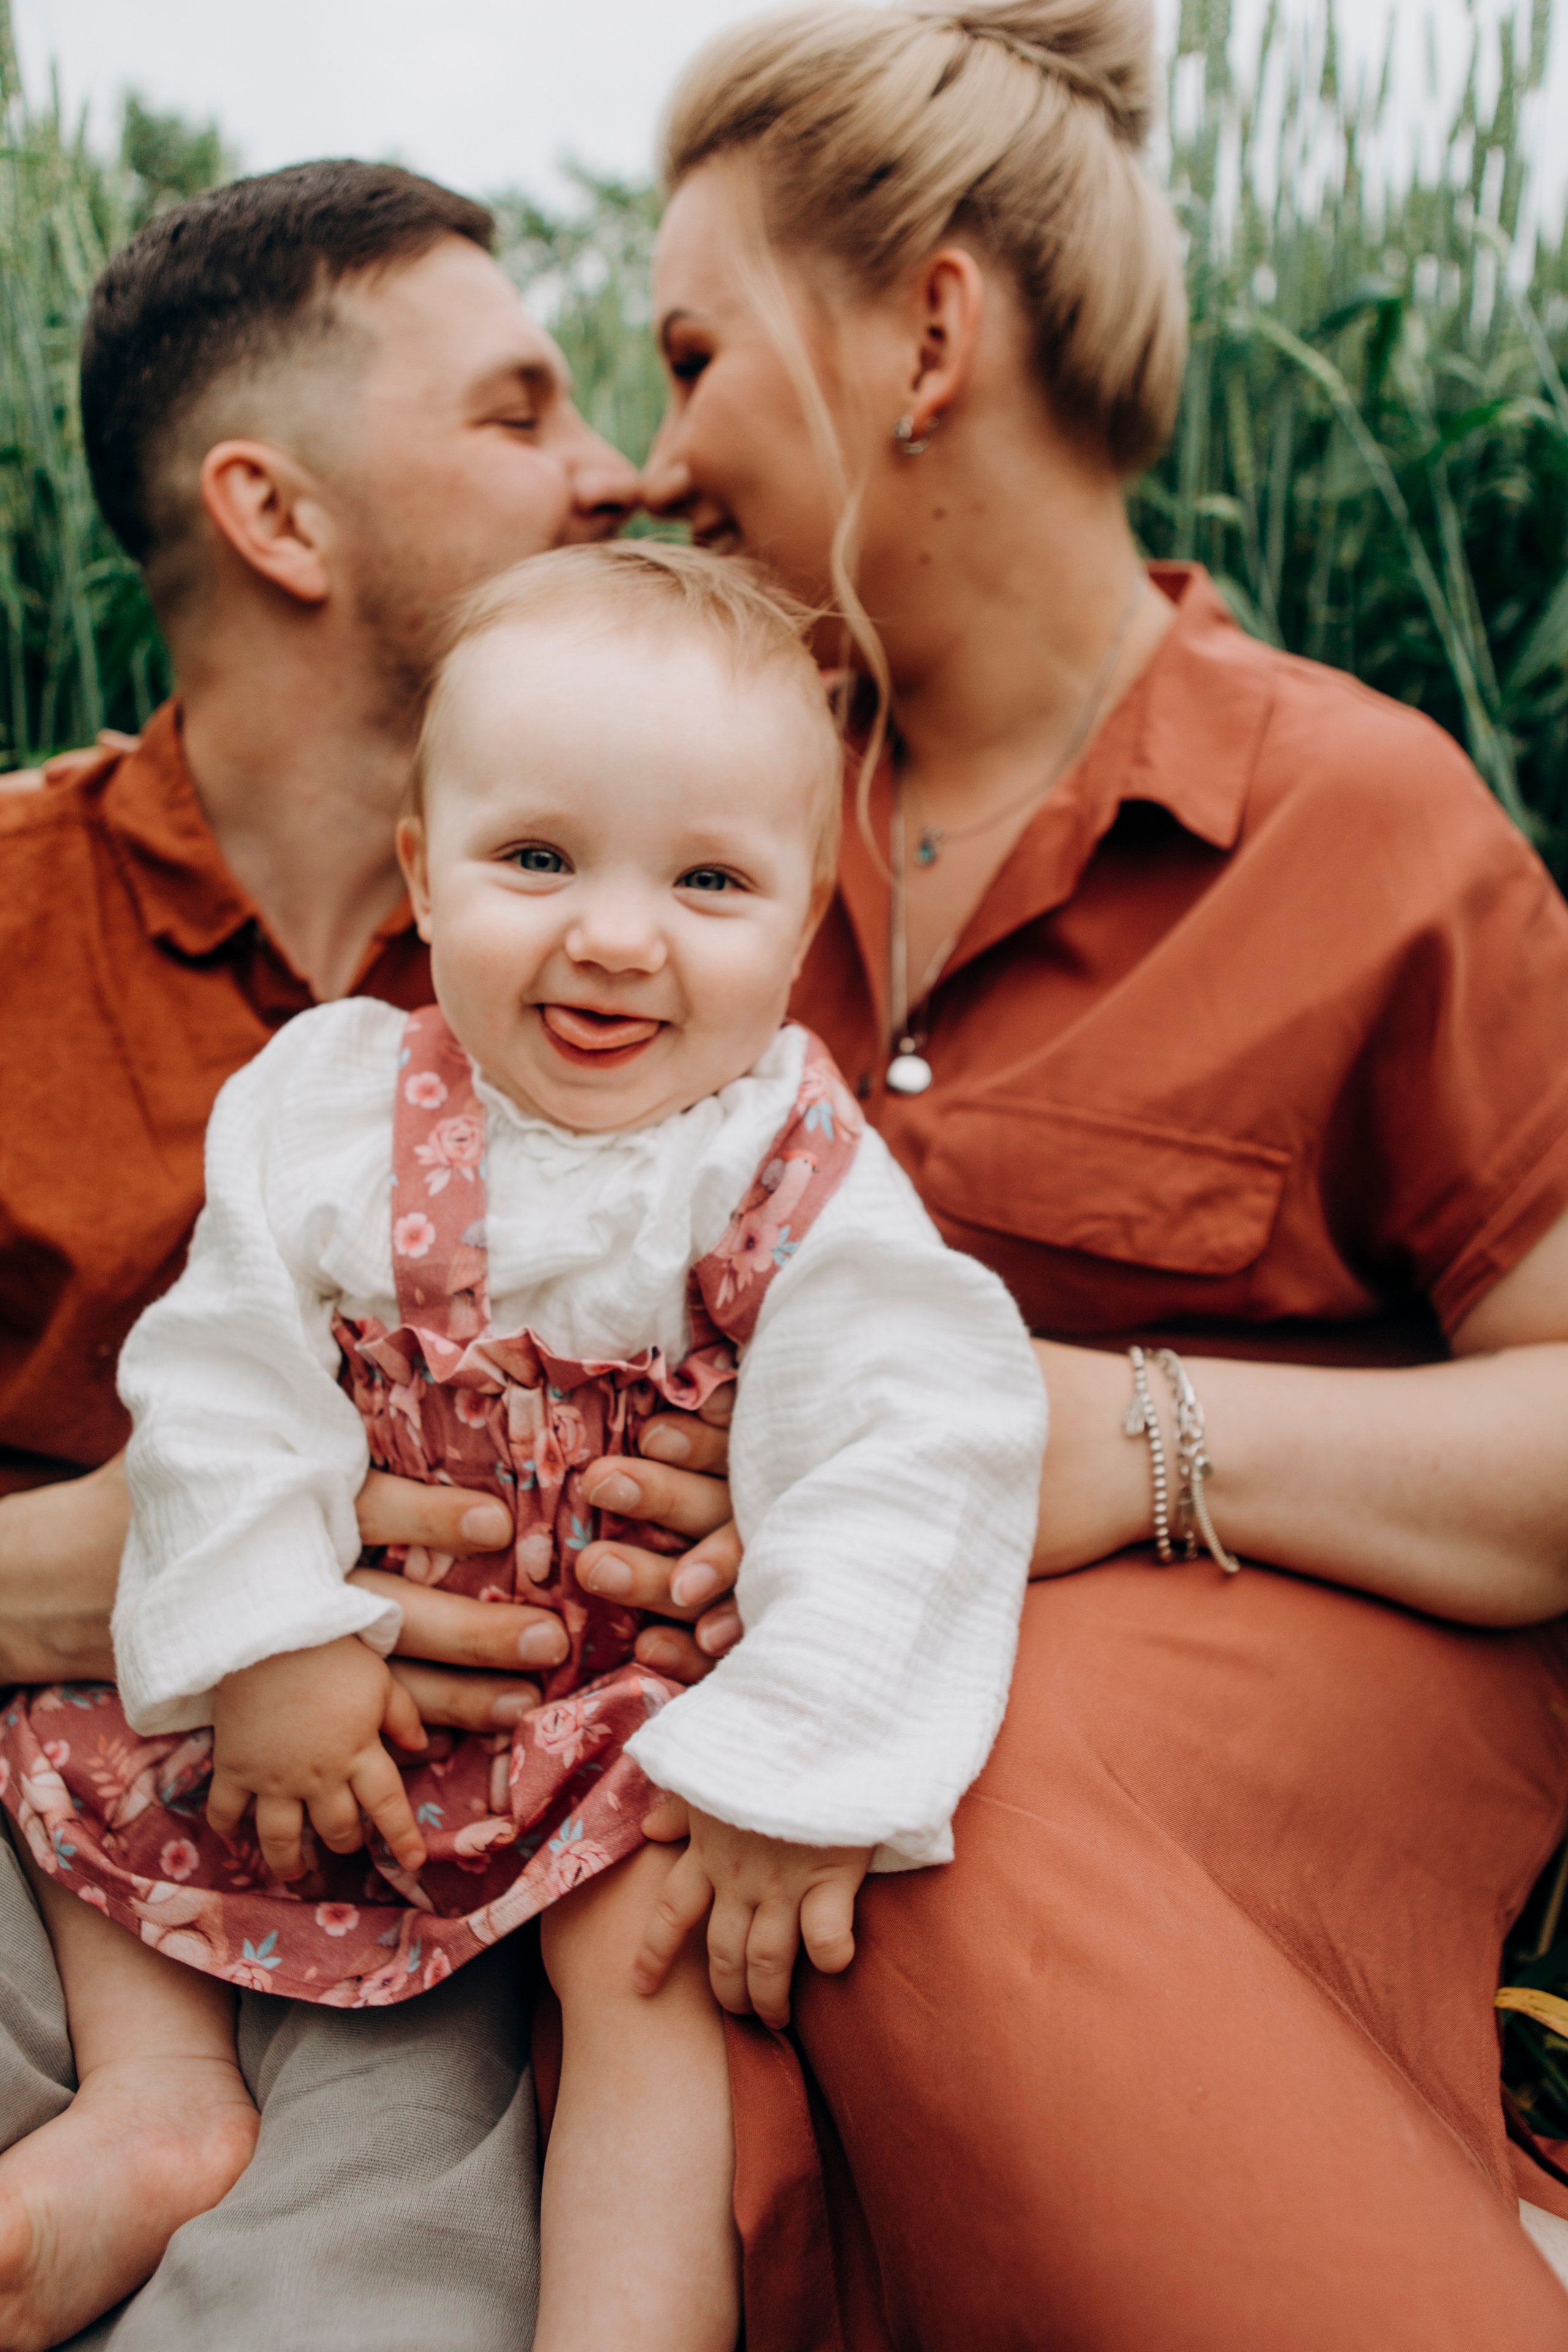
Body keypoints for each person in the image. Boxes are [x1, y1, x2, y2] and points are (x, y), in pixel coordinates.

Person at [619, 0, 1568, 2342]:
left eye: (693, 353)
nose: (655, 454)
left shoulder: (1358, 819)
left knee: (939, 1795)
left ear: (925, 334)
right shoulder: (699, 833)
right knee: (685, 1979)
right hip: (750, 1732)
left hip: (1271, 1702)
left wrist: (1107, 1437)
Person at [2, 541, 1044, 2352]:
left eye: (710, 880)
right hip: (321, 1702)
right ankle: (155, 2107)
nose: (617, 934)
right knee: (88, 1751)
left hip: (590, 1737)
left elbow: (914, 1438)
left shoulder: (787, 1167)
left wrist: (801, 1756)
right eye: (538, 858)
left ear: (805, 929)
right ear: (422, 873)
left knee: (641, 1958)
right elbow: (227, 1366)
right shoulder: (328, 1102)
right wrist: (264, 1629)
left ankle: (621, 2321)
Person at [0, 161, 734, 2352]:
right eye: (519, 415)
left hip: (471, 1895)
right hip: (43, 1803)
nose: (618, 472)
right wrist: (139, 1568)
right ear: (280, 517)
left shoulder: (685, 950)